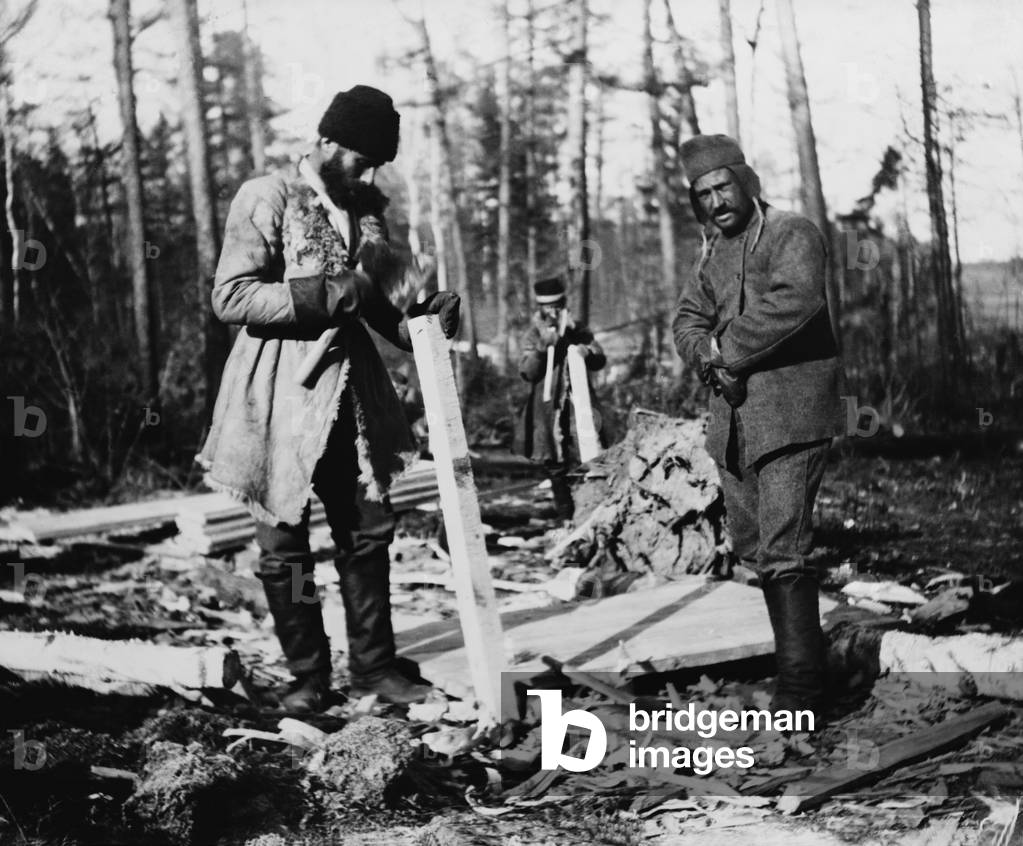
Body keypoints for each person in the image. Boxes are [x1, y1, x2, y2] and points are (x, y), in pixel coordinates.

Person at [198, 84, 460, 712]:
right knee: (284, 542)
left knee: (368, 530)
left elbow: (389, 307)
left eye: (377, 164)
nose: (368, 174)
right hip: (277, 393)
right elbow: (230, 297)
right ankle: (308, 678)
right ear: (324, 143)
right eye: (360, 160)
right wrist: (321, 296)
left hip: (352, 396)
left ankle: (374, 670)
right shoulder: (268, 196)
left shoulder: (369, 213)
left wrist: (429, 315)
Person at [671, 134, 845, 718]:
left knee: (784, 548)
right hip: (735, 423)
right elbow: (688, 319)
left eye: (723, 187)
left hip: (792, 415)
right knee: (751, 546)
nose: (716, 201)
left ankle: (802, 693)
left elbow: (796, 301)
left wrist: (724, 350)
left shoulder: (793, 233)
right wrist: (703, 352)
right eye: (703, 194)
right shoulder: (711, 251)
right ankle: (799, 672)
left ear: (747, 182)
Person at [513, 275, 606, 518]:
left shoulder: (578, 330)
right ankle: (566, 517)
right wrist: (543, 348)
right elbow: (527, 372)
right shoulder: (534, 335)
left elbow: (599, 358)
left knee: (587, 455)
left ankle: (590, 513)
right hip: (547, 409)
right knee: (554, 463)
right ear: (540, 308)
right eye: (548, 307)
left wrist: (587, 351)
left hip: (579, 406)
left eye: (557, 305)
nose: (553, 311)